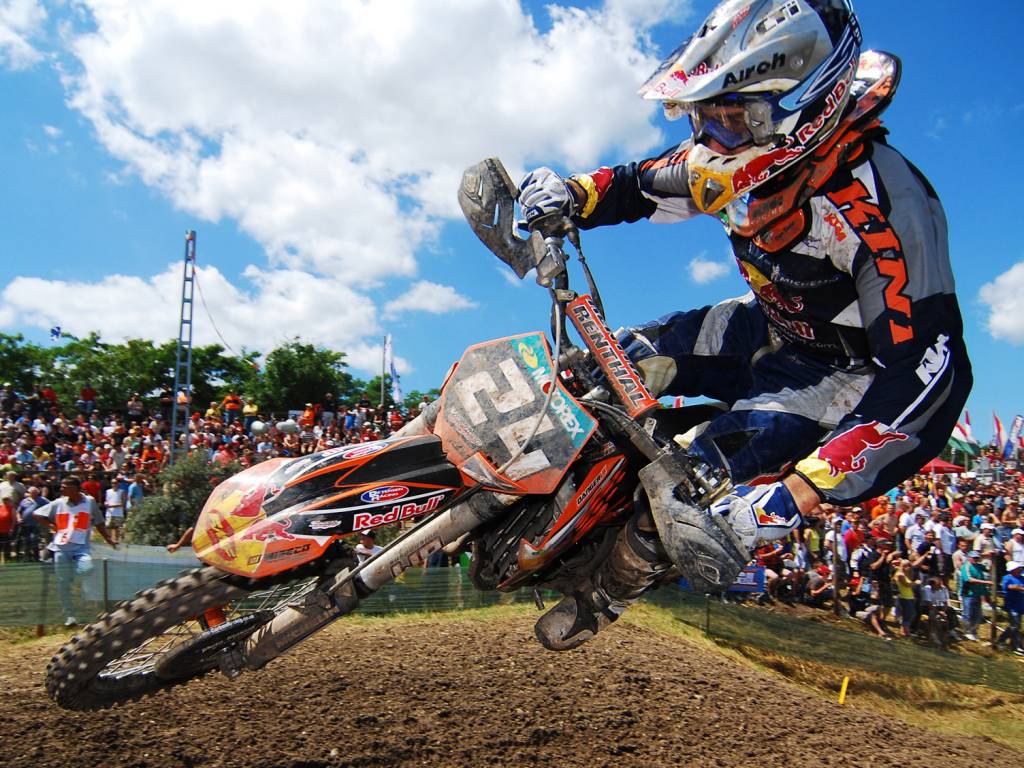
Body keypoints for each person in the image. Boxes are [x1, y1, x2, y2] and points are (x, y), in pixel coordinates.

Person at [518, 0, 971, 650]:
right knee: (604, 363)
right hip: (765, 325)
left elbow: (928, 374)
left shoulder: (886, 208)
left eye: (731, 119)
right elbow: (640, 184)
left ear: (804, 109)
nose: (711, 138)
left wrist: (796, 493)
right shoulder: (737, 151)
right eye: (705, 115)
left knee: (687, 487)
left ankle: (601, 596)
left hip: (837, 378)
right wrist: (571, 194)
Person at [33, 476, 116, 626]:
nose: (61, 489)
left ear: (75, 489)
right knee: (63, 583)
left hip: (81, 547)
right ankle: (69, 615)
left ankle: (84, 594)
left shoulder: (89, 502)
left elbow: (99, 522)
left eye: (65, 487)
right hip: (61, 548)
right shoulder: (58, 503)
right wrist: (51, 526)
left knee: (87, 569)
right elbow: (37, 514)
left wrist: (108, 539)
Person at [959, 550, 991, 641]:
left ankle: (974, 631)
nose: (976, 559)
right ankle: (967, 632)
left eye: (977, 558)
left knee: (977, 615)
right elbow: (969, 579)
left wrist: (992, 558)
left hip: (978, 594)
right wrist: (985, 582)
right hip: (968, 594)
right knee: (968, 614)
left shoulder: (979, 566)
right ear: (969, 558)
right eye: (974, 558)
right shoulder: (966, 566)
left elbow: (988, 568)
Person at [996, 560, 1024, 655]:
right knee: (1014, 625)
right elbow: (1008, 587)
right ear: (1013, 570)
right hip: (1012, 606)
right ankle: (1001, 640)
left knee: (1017, 626)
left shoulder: (1022, 578)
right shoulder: (1007, 578)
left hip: (1020, 605)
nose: (1020, 569)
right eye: (1018, 568)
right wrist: (1020, 588)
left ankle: (1015, 645)